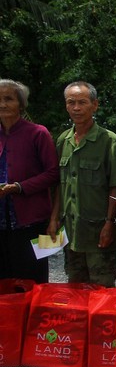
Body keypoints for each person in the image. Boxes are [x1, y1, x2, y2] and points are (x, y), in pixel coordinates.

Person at [50, 81, 116, 287]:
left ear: (95, 105)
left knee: (102, 293)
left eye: (82, 102)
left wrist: (110, 223)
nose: (76, 108)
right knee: (75, 290)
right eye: (71, 102)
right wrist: (54, 219)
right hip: (72, 233)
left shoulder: (110, 141)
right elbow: (59, 184)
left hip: (99, 233)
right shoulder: (63, 140)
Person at [0, 79, 59, 283]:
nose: (2, 104)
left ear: (21, 104)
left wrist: (19, 187)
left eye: (8, 99)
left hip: (32, 224)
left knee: (33, 282)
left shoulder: (38, 133)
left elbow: (53, 173)